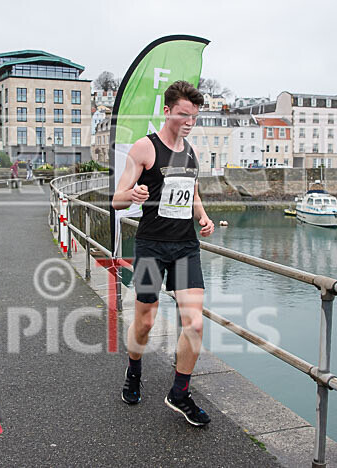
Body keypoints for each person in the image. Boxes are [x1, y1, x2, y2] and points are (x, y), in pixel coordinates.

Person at [112, 80, 215, 426]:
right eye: (183, 115)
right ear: (167, 111)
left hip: (186, 247)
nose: (189, 122)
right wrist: (134, 195)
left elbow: (193, 192)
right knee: (144, 321)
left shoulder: (190, 152)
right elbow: (116, 199)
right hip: (151, 246)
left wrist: (202, 215)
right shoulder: (145, 148)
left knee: (195, 323)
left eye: (194, 117)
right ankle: (134, 371)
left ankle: (180, 393)